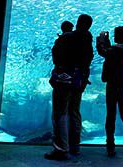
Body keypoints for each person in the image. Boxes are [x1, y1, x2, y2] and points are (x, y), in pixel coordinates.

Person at [45, 14, 94, 161]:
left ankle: (61, 149)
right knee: (74, 111)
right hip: (79, 81)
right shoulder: (88, 39)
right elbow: (89, 58)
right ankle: (75, 146)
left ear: (78, 23)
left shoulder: (66, 38)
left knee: (60, 112)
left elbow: (55, 56)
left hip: (63, 80)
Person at [96, 26, 123, 157]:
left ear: (117, 36)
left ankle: (110, 147)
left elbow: (103, 52)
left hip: (113, 85)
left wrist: (101, 39)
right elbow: (110, 51)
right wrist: (106, 41)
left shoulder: (116, 49)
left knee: (111, 114)